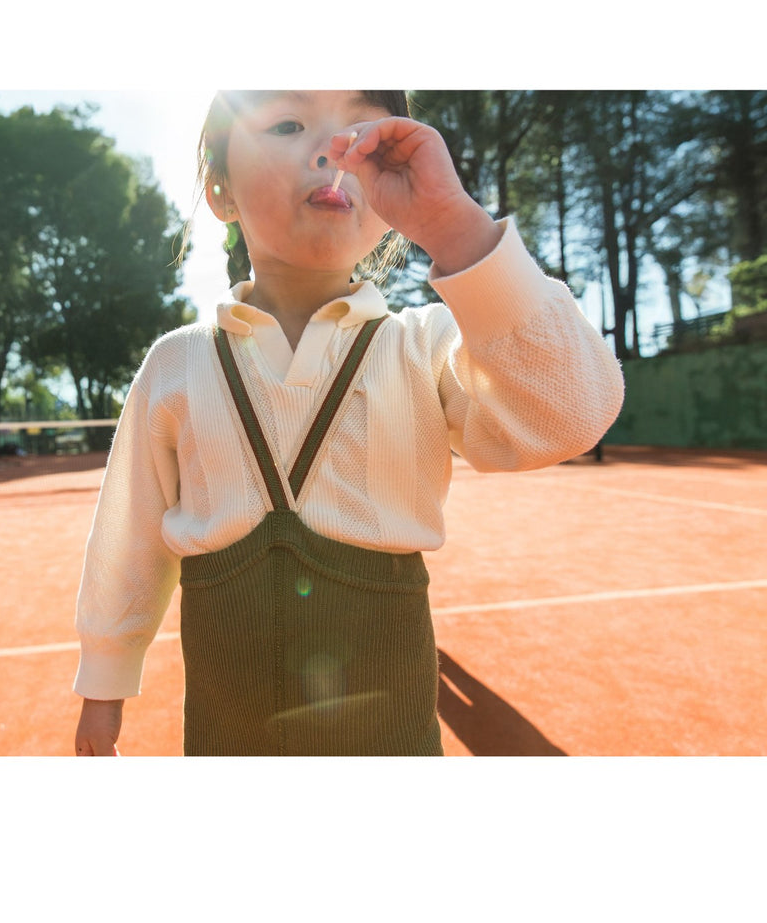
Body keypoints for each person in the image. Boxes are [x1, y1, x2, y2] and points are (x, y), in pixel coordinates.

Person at [73, 90, 625, 756]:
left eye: (366, 132)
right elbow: (129, 532)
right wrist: (103, 683)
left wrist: (454, 227)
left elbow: (571, 413)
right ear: (220, 190)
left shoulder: (427, 345)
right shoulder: (176, 363)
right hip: (227, 732)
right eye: (288, 123)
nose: (336, 151)